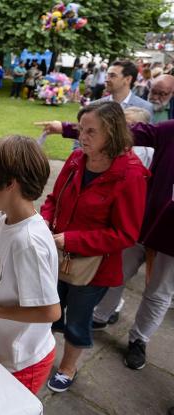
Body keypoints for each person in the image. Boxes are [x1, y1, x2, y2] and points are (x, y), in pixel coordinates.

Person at [39, 114, 174, 374]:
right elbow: (54, 199)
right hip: (59, 256)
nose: (82, 137)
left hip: (94, 267)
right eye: (81, 130)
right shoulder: (78, 159)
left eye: (90, 132)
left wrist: (72, 239)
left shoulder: (130, 174)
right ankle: (43, 356)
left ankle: (68, 368)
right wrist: (45, 220)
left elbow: (124, 234)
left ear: (111, 135)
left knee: (78, 321)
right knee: (49, 310)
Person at [0, 135, 61, 394]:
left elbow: (50, 312)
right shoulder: (6, 221)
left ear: (10, 184)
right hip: (3, 350)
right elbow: (10, 276)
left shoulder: (28, 242)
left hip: (23, 361)